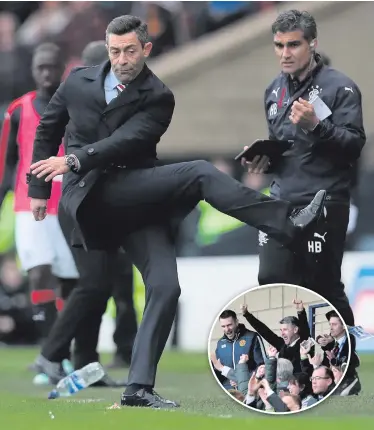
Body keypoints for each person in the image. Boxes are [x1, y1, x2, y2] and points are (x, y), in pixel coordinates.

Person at [27, 15, 325, 409]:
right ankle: (286, 223)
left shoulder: (159, 95)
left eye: (130, 51)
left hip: (134, 195)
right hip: (90, 197)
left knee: (166, 287)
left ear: (146, 49)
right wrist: (37, 188)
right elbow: (48, 129)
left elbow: (127, 140)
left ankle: (137, 389)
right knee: (201, 172)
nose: (121, 59)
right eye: (115, 51)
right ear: (107, 47)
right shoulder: (77, 81)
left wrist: (75, 159)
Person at [243, 10, 366, 327]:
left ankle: (344, 369)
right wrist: (264, 158)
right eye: (279, 45)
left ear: (312, 43)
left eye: (293, 45)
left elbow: (354, 146)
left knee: (322, 286)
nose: (285, 53)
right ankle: (296, 367)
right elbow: (283, 147)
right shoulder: (273, 91)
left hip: (325, 200)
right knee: (271, 277)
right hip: (283, 199)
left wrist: (318, 125)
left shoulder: (341, 88)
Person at [0, 43, 79, 341]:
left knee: (69, 278)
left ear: (62, 69)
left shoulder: (75, 107)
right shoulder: (17, 110)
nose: (46, 73)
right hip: (28, 205)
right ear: (33, 69)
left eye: (51, 66)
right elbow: (6, 161)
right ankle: (48, 342)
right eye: (40, 67)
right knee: (37, 272)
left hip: (68, 204)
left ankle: (65, 342)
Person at [240, 299, 310, 373]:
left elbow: (305, 329)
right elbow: (264, 331)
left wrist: (300, 311)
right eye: (281, 330)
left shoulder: (304, 343)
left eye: (285, 329)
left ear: (295, 330)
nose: (282, 333)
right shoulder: (282, 345)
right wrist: (247, 315)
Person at [212, 309, 264, 390]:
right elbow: (218, 370)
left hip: (248, 390)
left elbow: (262, 368)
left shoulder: (252, 337)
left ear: (236, 322)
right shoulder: (220, 343)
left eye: (229, 325)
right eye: (223, 326)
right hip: (228, 390)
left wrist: (240, 379)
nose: (227, 329)